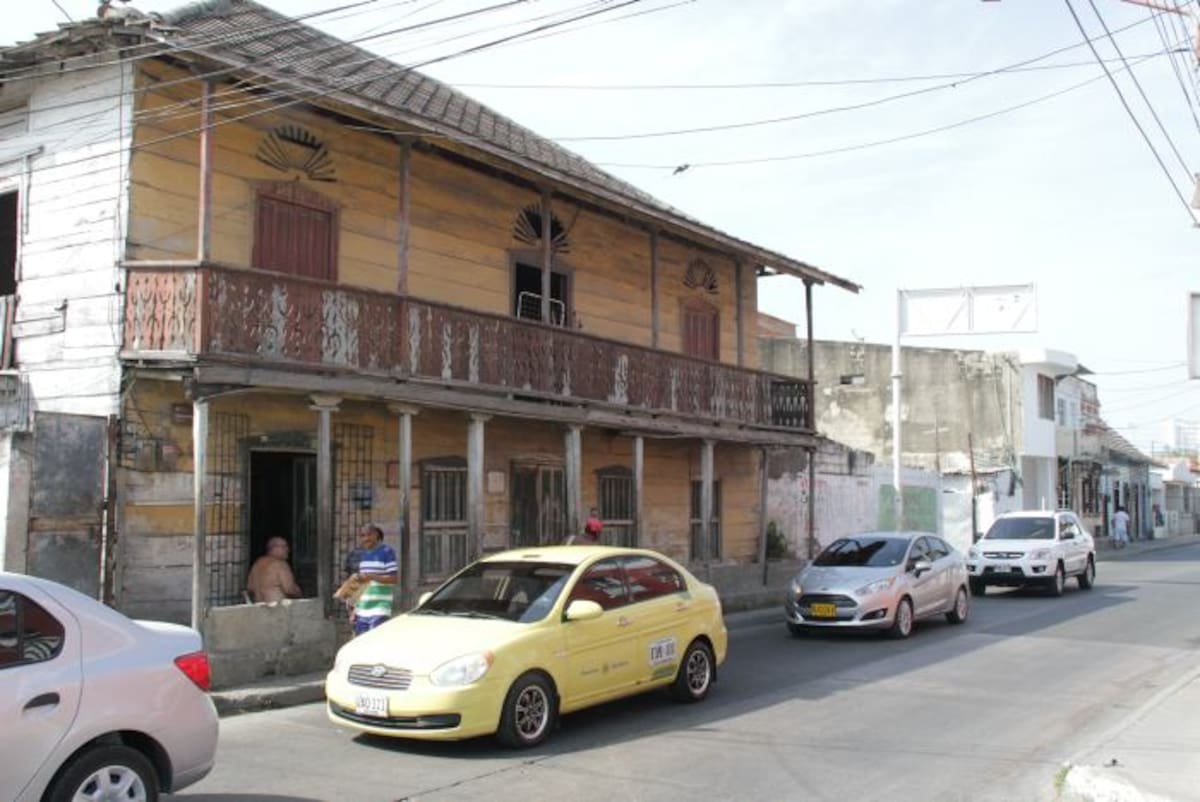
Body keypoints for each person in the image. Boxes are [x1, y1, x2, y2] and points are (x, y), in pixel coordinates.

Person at [349, 524, 397, 635]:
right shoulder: (363, 555)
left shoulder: (387, 552)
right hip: (362, 611)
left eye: (369, 535)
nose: (366, 538)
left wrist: (372, 576)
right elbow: (361, 586)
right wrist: (354, 611)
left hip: (380, 608)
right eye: (362, 536)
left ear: (376, 535)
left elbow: (393, 579)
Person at [246, 537, 303, 603]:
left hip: (258, 607)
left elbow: (249, 587)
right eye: (284, 547)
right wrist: (299, 592)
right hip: (277, 607)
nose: (288, 549)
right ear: (273, 548)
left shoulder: (257, 564)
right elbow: (289, 589)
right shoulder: (280, 564)